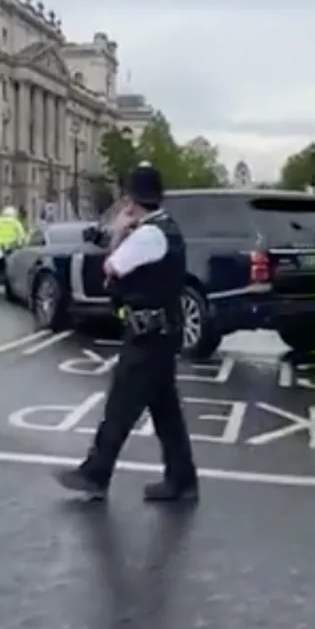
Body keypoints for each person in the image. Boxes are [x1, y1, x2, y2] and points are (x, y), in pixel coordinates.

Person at [55, 164, 199, 503]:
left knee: (120, 406)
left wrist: (119, 232)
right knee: (166, 411)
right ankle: (182, 479)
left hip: (148, 334)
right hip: (163, 331)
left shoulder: (148, 235)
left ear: (132, 200)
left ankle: (95, 473)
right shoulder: (168, 228)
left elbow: (111, 267)